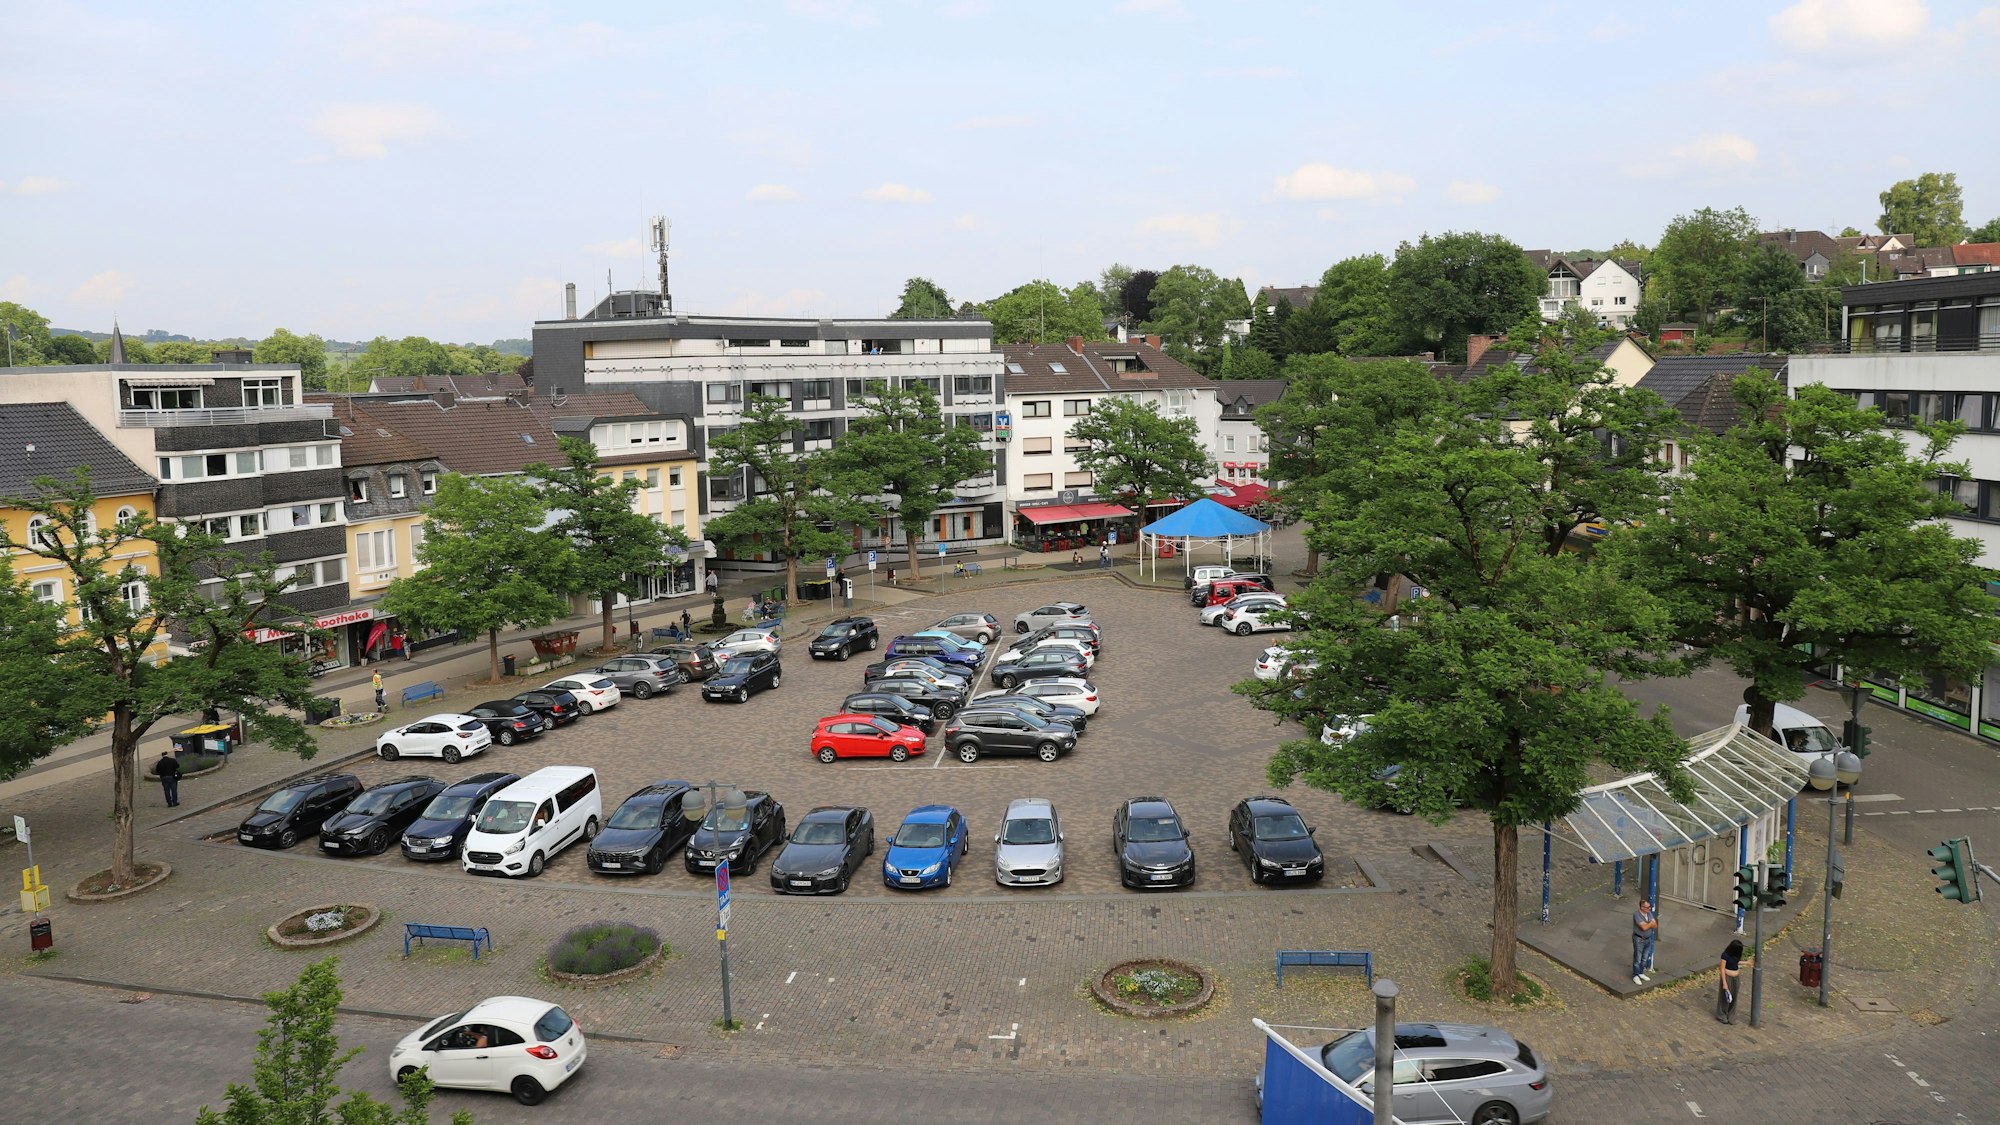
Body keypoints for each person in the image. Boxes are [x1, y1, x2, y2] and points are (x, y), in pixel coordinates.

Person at [1716, 939, 1748, 1023]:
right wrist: (1724, 983)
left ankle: (1731, 1015)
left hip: (1736, 978)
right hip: (1727, 977)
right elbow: (1722, 969)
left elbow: (1736, 962)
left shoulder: (1735, 956)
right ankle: (1721, 1014)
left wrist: (1746, 963)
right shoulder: (1725, 955)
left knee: (1734, 996)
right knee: (1725, 997)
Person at [1632, 898, 1658, 984]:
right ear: (1642, 907)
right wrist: (1650, 923)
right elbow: (1644, 928)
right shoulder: (1637, 915)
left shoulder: (1649, 913)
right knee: (1638, 958)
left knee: (1644, 958)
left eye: (1649, 907)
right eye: (1647, 907)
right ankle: (1635, 975)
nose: (1649, 909)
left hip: (1648, 939)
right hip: (1639, 939)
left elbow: (1655, 926)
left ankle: (1641, 973)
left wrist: (1648, 924)